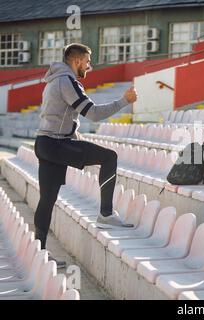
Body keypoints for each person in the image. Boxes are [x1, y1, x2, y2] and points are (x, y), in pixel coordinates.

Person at [34, 43, 137, 267]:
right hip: (56, 144)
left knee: (47, 199)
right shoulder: (67, 80)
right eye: (88, 61)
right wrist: (124, 101)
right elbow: (94, 114)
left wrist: (74, 133)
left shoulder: (54, 79)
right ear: (77, 61)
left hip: (45, 143)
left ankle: (38, 253)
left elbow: (59, 115)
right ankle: (106, 213)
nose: (90, 66)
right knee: (109, 157)